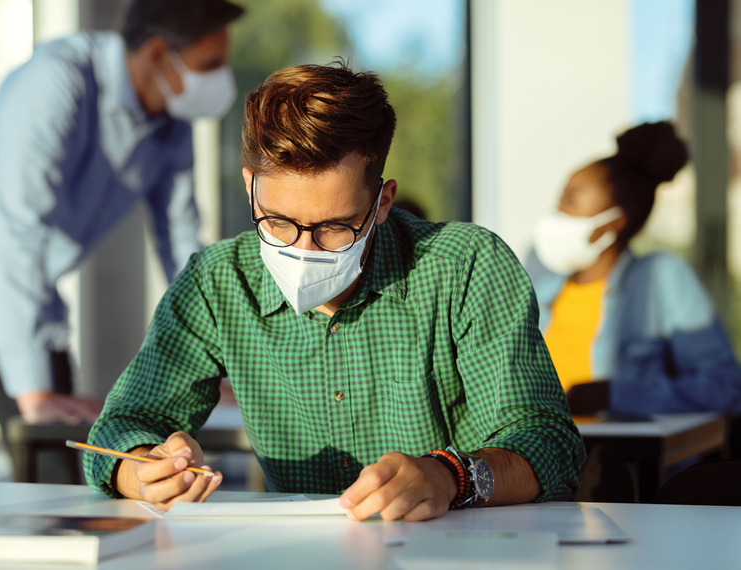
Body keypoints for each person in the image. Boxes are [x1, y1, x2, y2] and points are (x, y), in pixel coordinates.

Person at [85, 61, 585, 522]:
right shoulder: (217, 282)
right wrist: (144, 470)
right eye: (277, 223)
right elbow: (124, 425)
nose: (303, 250)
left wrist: (450, 476)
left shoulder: (467, 267)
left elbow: (548, 444)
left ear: (382, 202)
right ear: (249, 187)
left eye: (335, 227)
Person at [0, 0, 245, 485]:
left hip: (23, 292)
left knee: (62, 471)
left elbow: (181, 241)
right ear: (160, 54)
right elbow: (21, 227)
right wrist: (33, 392)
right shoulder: (60, 78)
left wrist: (220, 359)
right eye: (211, 64)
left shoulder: (171, 124)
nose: (222, 79)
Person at [527, 121, 741, 417]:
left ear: (615, 220)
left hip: (616, 459)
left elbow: (725, 386)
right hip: (537, 456)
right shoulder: (539, 282)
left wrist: (613, 395)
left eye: (570, 201)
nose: (555, 213)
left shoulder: (660, 277)